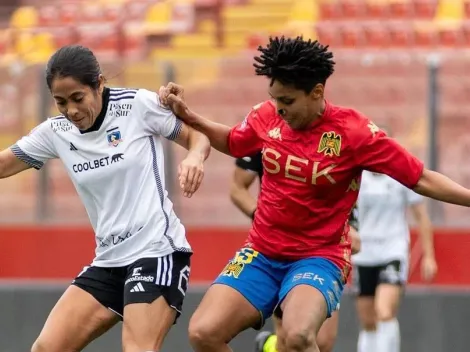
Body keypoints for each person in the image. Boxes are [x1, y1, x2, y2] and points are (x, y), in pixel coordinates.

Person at [159, 36, 470, 352]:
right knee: (202, 333)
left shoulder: (355, 132)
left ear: (317, 92)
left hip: (319, 256)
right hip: (262, 252)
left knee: (299, 337)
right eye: (275, 98)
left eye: (288, 101)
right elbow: (234, 141)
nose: (279, 108)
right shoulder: (265, 116)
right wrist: (191, 115)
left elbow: (421, 179)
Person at [0, 44, 211, 352]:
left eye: (78, 98)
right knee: (46, 348)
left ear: (98, 84)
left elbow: (198, 135)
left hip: (156, 251)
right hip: (109, 260)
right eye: (60, 102)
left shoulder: (137, 105)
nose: (71, 110)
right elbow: (3, 164)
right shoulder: (56, 131)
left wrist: (194, 157)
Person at [230, 152, 361, 352]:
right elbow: (237, 189)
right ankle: (271, 344)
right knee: (291, 339)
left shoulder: (342, 144)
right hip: (281, 251)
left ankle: (268, 345)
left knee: (323, 342)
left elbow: (356, 240)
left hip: (324, 255)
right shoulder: (267, 132)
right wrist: (265, 219)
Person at [353, 128, 437, 352]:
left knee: (384, 310)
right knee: (368, 319)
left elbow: (422, 217)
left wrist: (429, 256)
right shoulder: (357, 177)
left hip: (393, 249)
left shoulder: (400, 175)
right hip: (364, 253)